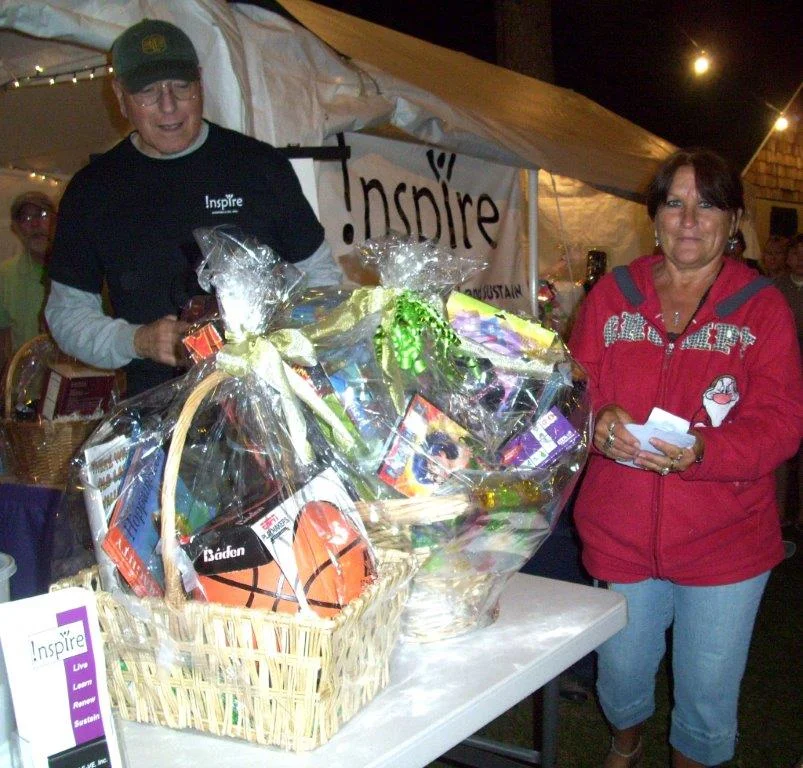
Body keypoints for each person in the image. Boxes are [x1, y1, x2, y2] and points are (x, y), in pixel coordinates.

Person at [568, 148, 803, 767]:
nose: (690, 219)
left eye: (709, 205)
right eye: (675, 203)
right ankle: (626, 740)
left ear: (734, 221)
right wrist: (597, 421)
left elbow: (782, 423)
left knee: (706, 695)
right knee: (621, 672)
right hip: (620, 534)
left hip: (726, 543)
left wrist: (704, 450)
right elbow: (570, 389)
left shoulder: (762, 308)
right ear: (655, 217)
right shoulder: (613, 297)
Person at [45, 18, 342, 398]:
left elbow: (320, 276)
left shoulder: (260, 166)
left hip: (271, 398)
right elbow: (67, 315)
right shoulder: (93, 191)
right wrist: (137, 340)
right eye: (148, 92)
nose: (168, 106)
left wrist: (289, 343)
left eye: (181, 87)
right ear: (120, 96)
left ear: (200, 81)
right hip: (158, 408)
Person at [0, 192, 57, 372]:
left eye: (43, 215)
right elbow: (3, 342)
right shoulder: (5, 275)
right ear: (16, 228)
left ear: (56, 221)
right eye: (26, 218)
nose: (35, 224)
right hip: (26, 383)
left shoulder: (81, 269)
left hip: (77, 382)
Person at [772, 233, 803, 529]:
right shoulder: (775, 289)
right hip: (782, 377)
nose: (800, 259)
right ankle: (778, 512)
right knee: (778, 445)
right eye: (795, 253)